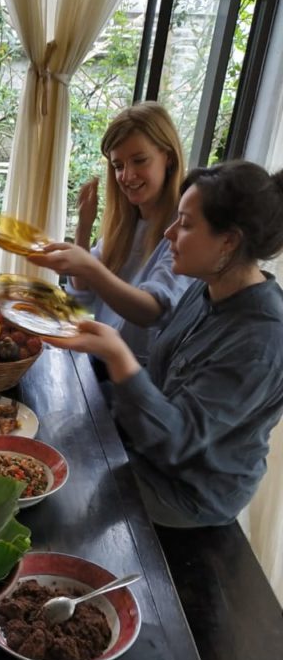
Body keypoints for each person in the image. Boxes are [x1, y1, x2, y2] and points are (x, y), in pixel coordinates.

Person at [41, 160, 283, 528]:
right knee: (50, 429)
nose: (169, 232)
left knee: (59, 497)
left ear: (229, 241)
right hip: (148, 451)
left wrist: (117, 354)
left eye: (185, 224)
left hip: (187, 491)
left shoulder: (263, 339)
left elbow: (177, 441)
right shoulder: (208, 287)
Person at [30, 101, 191, 367]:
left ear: (169, 157)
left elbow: (152, 311)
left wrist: (90, 267)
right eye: (118, 166)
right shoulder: (126, 225)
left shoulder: (183, 231)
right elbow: (83, 299)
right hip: (100, 369)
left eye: (139, 160)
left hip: (140, 380)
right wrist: (84, 226)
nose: (127, 176)